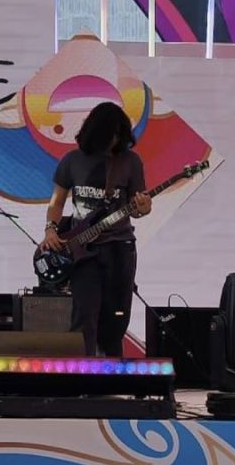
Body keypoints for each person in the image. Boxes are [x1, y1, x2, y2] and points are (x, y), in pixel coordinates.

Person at [40, 102, 152, 357]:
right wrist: (50, 230)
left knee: (116, 316)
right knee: (84, 313)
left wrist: (144, 206)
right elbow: (56, 202)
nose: (112, 142)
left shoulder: (130, 162)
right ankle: (84, 377)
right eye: (108, 136)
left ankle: (111, 374)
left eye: (117, 136)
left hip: (119, 247)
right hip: (83, 251)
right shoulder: (72, 161)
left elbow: (139, 208)